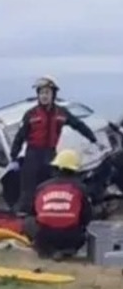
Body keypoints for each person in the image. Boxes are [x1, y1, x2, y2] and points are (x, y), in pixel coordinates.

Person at [8, 76, 100, 214]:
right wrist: (13, 156)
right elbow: (20, 137)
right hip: (33, 155)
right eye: (41, 93)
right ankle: (25, 221)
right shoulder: (30, 114)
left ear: (53, 94)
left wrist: (93, 139)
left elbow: (78, 125)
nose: (44, 96)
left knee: (51, 189)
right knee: (28, 192)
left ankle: (51, 218)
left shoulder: (61, 113)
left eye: (47, 93)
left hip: (50, 155)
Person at [28, 149, 92, 260]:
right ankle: (65, 250)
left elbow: (33, 212)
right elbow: (87, 216)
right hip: (72, 238)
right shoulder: (81, 189)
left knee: (28, 221)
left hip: (44, 236)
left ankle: (46, 249)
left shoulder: (42, 187)